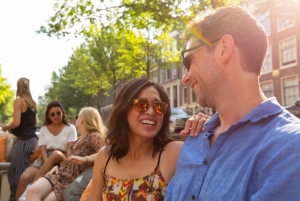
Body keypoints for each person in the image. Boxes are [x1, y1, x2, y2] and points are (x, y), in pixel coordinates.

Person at [165, 6, 300, 201]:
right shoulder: (194, 140)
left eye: (189, 61)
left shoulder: (290, 148)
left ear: (224, 49)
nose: (185, 78)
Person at [87, 78, 182, 201]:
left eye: (158, 106)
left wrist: (204, 124)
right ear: (124, 109)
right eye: (141, 105)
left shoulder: (175, 153)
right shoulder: (104, 157)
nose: (151, 112)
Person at [26, 107, 106, 201]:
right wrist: (59, 165)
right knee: (32, 191)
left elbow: (107, 153)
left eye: (77, 116)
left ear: (82, 120)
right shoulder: (80, 138)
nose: (76, 119)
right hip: (61, 174)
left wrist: (85, 159)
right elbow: (70, 159)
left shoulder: (94, 136)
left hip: (72, 180)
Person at [15, 100, 77, 201]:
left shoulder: (70, 128)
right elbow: (42, 148)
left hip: (63, 157)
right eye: (52, 114)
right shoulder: (44, 129)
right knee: (24, 177)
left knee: (55, 154)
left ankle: (27, 194)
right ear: (48, 116)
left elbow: (70, 149)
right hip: (45, 158)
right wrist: (48, 163)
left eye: (58, 113)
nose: (56, 116)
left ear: (62, 113)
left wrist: (62, 165)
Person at [2, 77, 38, 201]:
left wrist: (6, 127)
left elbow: (16, 123)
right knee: (15, 171)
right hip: (33, 141)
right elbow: (35, 122)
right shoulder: (32, 104)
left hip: (24, 142)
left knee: (17, 175)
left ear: (18, 87)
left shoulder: (19, 101)